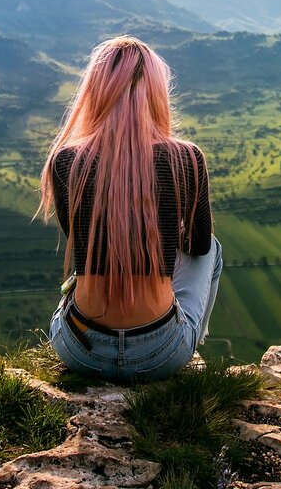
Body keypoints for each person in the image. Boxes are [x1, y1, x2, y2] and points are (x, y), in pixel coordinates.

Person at [37, 35, 222, 382]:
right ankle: (190, 342)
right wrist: (164, 228)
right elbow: (197, 247)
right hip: (161, 353)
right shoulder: (186, 159)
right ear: (155, 93)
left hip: (81, 351)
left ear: (96, 91)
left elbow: (83, 246)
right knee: (213, 248)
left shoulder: (66, 162)